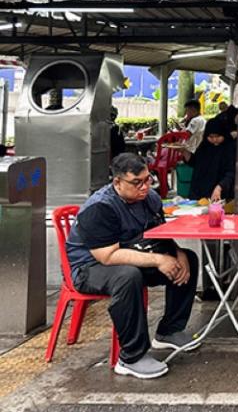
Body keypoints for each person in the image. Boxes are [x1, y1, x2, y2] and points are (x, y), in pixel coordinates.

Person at [65, 153, 199, 379]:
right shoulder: (100, 208)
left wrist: (177, 253)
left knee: (190, 259)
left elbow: (160, 234)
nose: (145, 187)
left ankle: (170, 330)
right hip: (90, 267)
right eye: (136, 183)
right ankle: (131, 357)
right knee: (127, 276)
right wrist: (158, 259)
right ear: (117, 182)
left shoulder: (150, 198)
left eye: (148, 179)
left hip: (134, 253)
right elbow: (108, 257)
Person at [188, 117, 236, 203]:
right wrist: (183, 151)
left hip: (220, 196)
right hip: (198, 195)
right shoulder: (204, 147)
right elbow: (194, 162)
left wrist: (219, 187)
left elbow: (231, 172)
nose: (214, 140)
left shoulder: (229, 148)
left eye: (218, 136)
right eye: (211, 137)